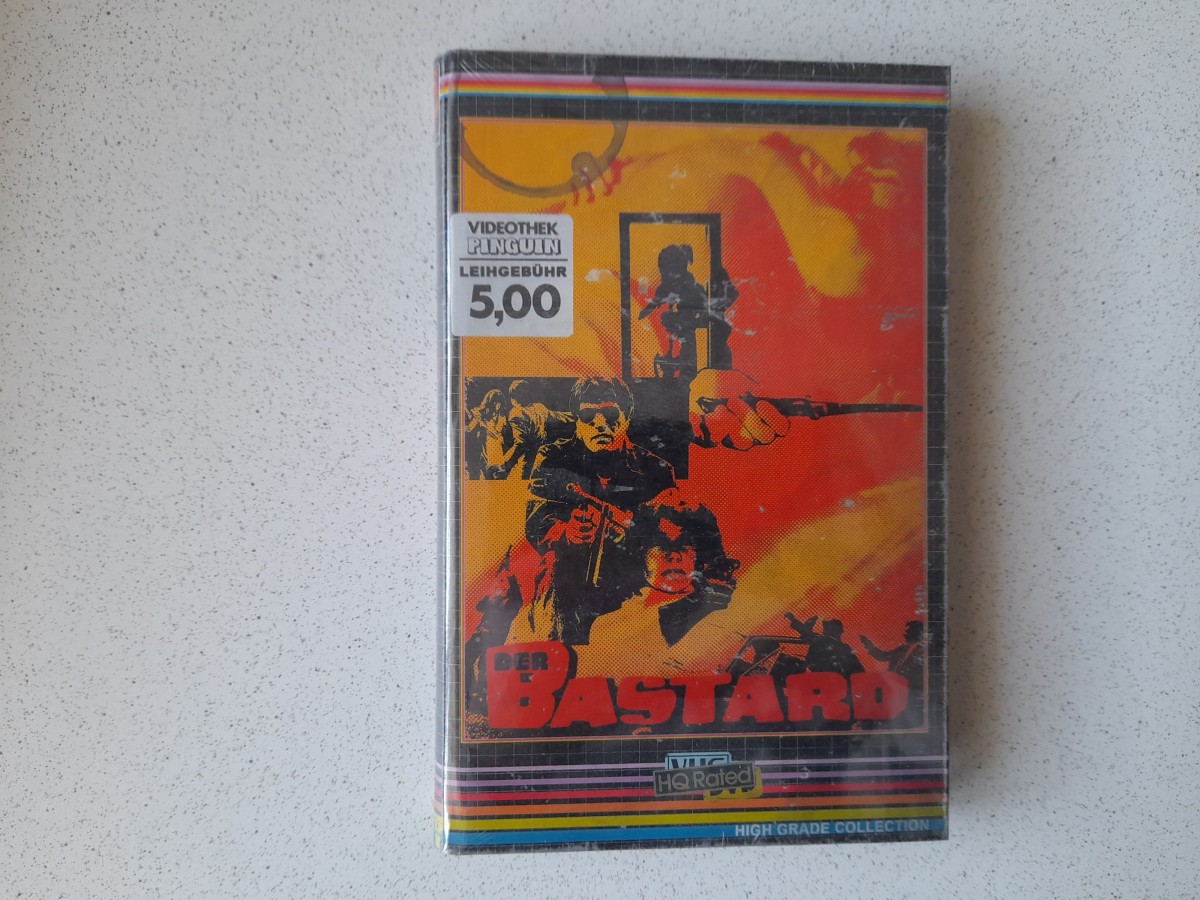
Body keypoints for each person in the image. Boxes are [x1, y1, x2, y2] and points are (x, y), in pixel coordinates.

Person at [512, 377, 676, 646]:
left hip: (632, 577)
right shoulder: (553, 459)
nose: (600, 424)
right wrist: (568, 532)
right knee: (554, 570)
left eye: (610, 415)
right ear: (577, 420)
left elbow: (672, 532)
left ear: (627, 417)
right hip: (569, 579)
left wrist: (631, 530)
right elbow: (536, 523)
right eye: (588, 416)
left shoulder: (656, 470)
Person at [506, 380, 573, 479]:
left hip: (528, 460)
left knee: (524, 481)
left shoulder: (517, 413)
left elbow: (520, 443)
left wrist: (505, 464)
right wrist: (577, 415)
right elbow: (558, 416)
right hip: (540, 457)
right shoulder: (538, 408)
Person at [861, 620, 925, 686]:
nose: (904, 635)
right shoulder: (902, 649)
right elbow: (883, 657)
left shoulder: (921, 653)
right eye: (906, 632)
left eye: (908, 632)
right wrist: (869, 645)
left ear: (915, 633)